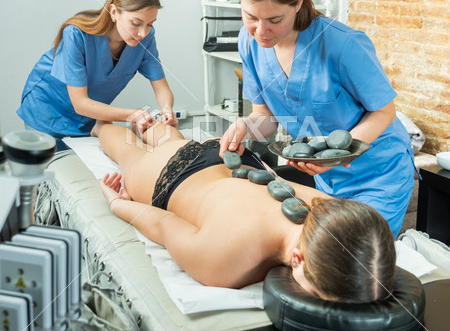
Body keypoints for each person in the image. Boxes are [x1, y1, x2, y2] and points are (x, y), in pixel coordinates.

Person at [218, 0, 415, 237]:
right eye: (250, 17)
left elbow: (385, 111)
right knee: (324, 251)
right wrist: (245, 127)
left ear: (298, 2)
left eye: (274, 19)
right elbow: (265, 118)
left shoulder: (342, 44)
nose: (260, 31)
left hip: (379, 174)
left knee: (359, 252)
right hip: (326, 177)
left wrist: (342, 153)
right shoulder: (248, 43)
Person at [94, 120, 396, 303]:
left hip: (236, 157)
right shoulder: (223, 264)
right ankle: (97, 124)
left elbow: (274, 179)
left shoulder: (327, 205)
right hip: (173, 176)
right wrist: (117, 203)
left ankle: (149, 123)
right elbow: (163, 224)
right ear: (297, 259)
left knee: (172, 139)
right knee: (126, 151)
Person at [17, 0, 178, 141]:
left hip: (87, 116)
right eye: (136, 23)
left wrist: (166, 109)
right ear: (114, 12)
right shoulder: (76, 34)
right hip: (47, 109)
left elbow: (161, 86)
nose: (143, 32)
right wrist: (132, 115)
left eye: (150, 24)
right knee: (51, 156)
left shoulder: (145, 39)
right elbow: (80, 103)